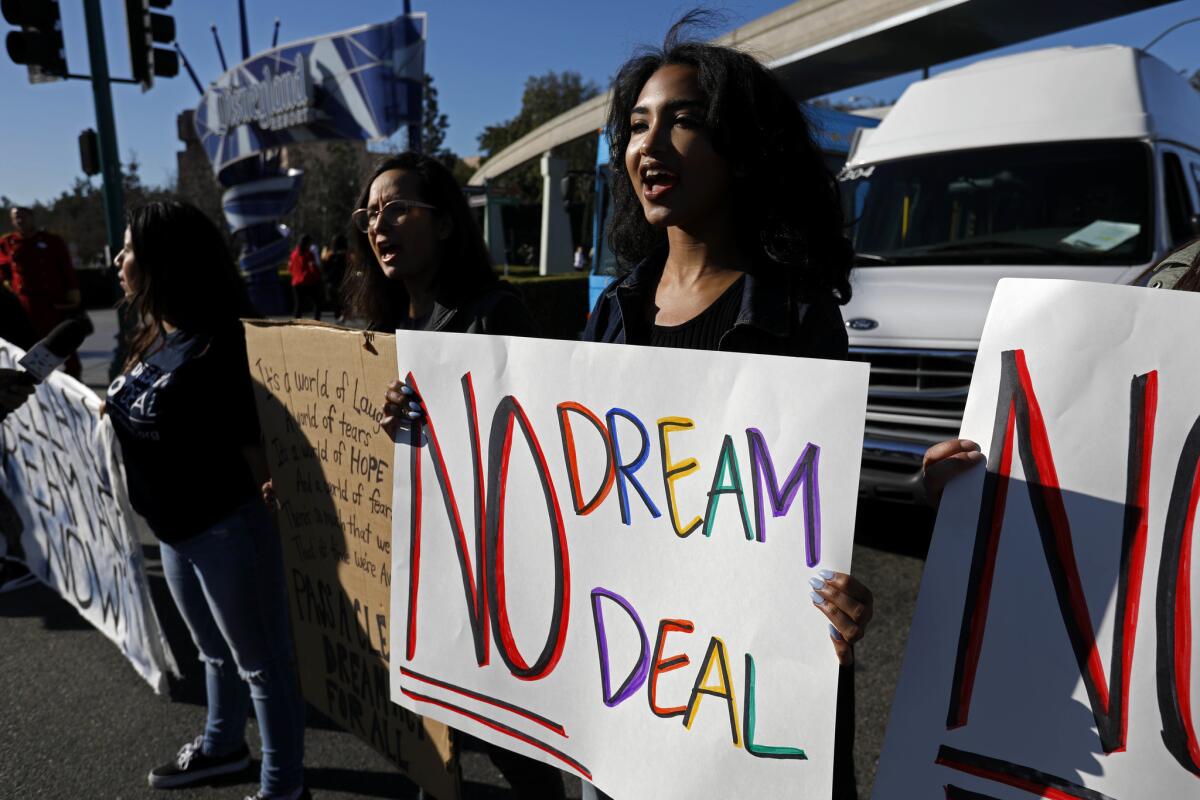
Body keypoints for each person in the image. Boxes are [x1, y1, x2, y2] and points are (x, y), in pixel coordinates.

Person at [567, 15, 872, 798]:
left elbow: (810, 519)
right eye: (636, 126)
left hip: (738, 709)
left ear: (740, 150)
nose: (649, 145)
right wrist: (425, 430)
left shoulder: (798, 317)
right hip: (629, 684)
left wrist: (840, 602)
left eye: (683, 122)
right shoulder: (616, 313)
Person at [344, 152, 556, 799]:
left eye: (398, 207)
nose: (381, 223)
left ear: (443, 225)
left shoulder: (495, 315)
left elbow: (539, 454)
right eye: (371, 212)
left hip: (490, 587)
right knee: (428, 751)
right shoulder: (383, 333)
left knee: (519, 752)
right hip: (418, 582)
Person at [106, 201, 308, 800]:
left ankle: (283, 788)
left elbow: (256, 447)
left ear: (166, 260)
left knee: (264, 665)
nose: (118, 259)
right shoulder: (155, 332)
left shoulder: (224, 343)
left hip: (228, 530)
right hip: (173, 531)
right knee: (211, 652)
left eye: (128, 248)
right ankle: (224, 747)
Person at [0, 206, 83, 377]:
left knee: (60, 340)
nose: (20, 220)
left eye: (23, 216)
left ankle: (74, 375)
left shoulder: (51, 241)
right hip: (25, 303)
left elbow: (65, 267)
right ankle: (32, 379)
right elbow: (2, 267)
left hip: (52, 302)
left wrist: (72, 290)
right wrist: (7, 284)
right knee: (27, 344)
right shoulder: (7, 242)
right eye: (16, 217)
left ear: (32, 218)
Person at [288, 234, 323, 320]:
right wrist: (319, 276)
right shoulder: (308, 254)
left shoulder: (293, 254)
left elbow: (290, 268)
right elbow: (312, 268)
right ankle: (317, 321)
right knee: (318, 302)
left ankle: (295, 323)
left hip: (296, 282)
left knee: (299, 305)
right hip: (307, 281)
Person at [321, 234, 348, 321]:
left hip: (332, 279)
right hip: (341, 279)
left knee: (336, 299)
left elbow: (324, 265)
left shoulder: (329, 254)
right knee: (342, 298)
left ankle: (338, 314)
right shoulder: (345, 254)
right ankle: (341, 314)